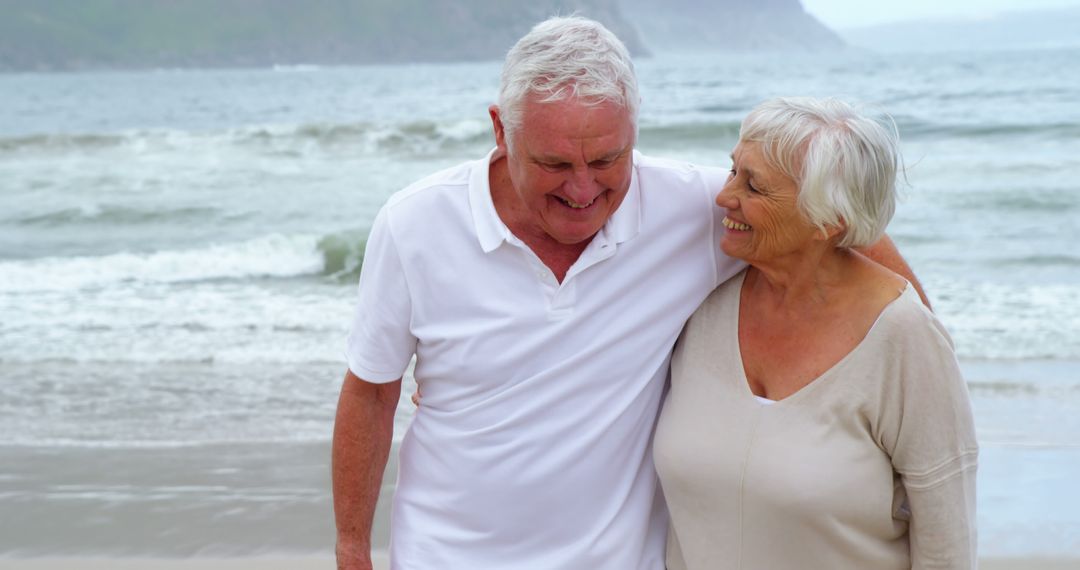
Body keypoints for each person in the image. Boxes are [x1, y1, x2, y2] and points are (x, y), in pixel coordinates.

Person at [332, 17, 924, 570]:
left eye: (608, 158)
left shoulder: (691, 210)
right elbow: (371, 394)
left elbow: (835, 227)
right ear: (500, 130)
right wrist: (352, 547)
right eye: (554, 163)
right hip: (444, 554)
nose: (584, 187)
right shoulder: (415, 224)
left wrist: (919, 353)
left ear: (635, 131)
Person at [653, 97, 978, 569]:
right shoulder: (700, 305)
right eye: (733, 171)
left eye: (755, 187)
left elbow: (947, 539)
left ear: (829, 220)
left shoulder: (904, 336)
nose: (724, 196)